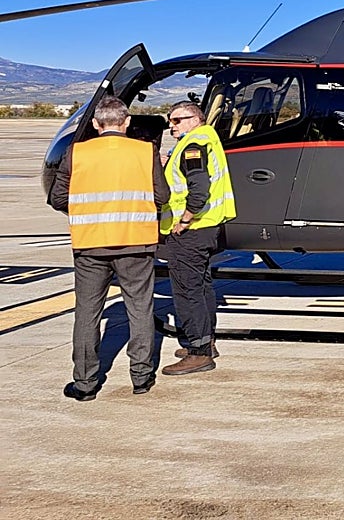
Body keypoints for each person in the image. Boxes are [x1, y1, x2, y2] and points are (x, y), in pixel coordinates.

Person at [51, 95, 170, 400]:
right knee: (140, 307)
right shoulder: (145, 151)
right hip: (136, 241)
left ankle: (86, 383)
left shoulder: (77, 152)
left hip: (91, 243)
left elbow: (57, 197)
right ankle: (141, 377)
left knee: (87, 312)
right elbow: (162, 196)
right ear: (127, 122)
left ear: (95, 123)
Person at [160, 100, 236, 376]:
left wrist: (184, 220)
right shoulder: (205, 140)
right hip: (207, 228)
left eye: (176, 120)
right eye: (170, 120)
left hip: (191, 230)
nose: (171, 126)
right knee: (202, 286)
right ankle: (206, 341)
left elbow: (198, 188)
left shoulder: (194, 145)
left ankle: (198, 352)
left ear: (194, 118)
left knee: (186, 290)